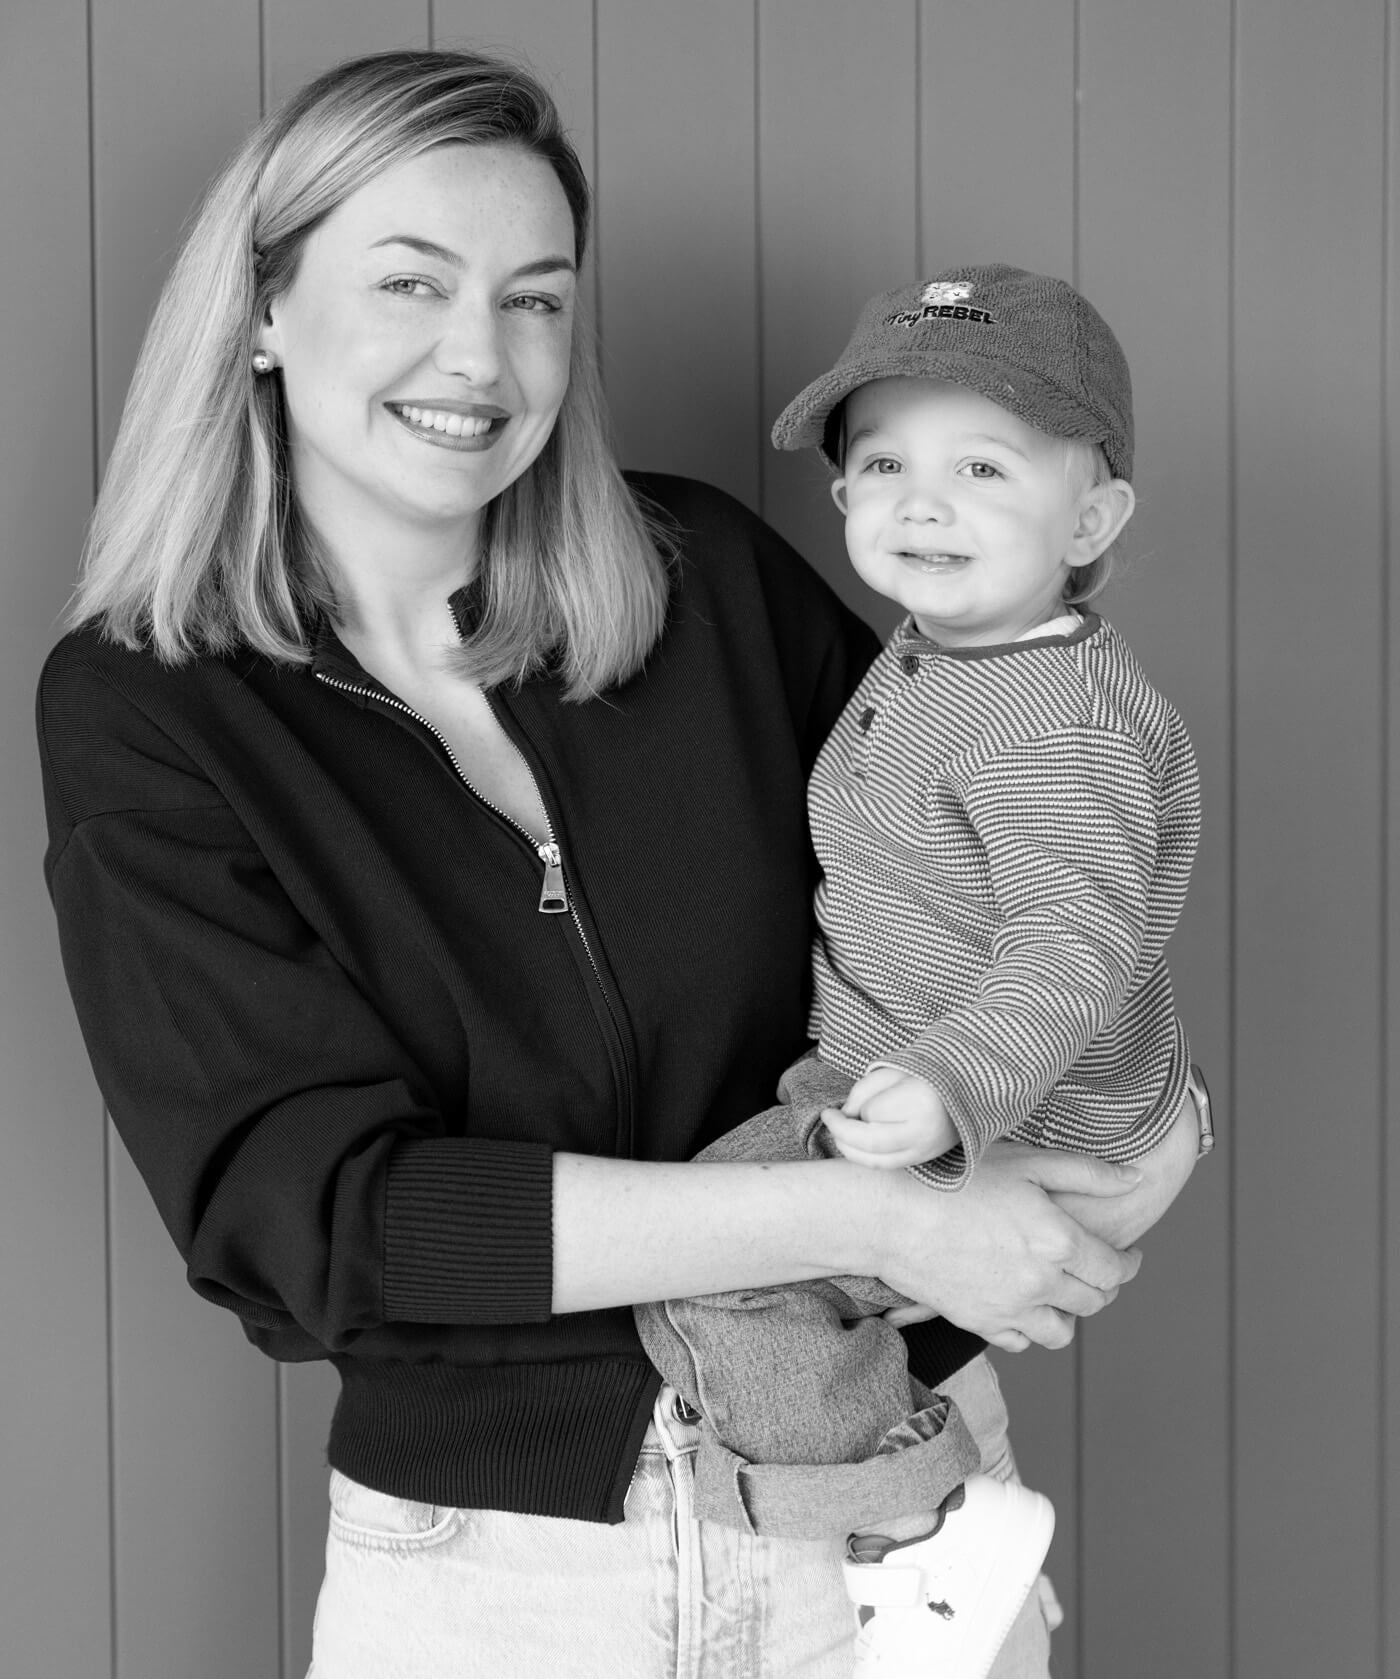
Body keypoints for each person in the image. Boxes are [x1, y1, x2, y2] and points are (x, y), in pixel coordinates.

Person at [36, 51, 1196, 1679]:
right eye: (409, 283)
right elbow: (322, 1234)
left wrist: (1151, 1120)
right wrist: (872, 1212)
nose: (480, 356)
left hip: (888, 1515)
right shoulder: (150, 708)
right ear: (263, 313)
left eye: (535, 299)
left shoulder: (705, 577)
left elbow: (1015, 867)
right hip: (498, 1572)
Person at [635, 265, 1205, 1679]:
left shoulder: (1051, 726)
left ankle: (918, 1523)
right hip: (938, 1075)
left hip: (1006, 1102)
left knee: (719, 1277)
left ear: (1093, 517)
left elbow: (1074, 943)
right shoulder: (959, 652)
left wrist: (954, 1086)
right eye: (881, 462)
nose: (919, 500)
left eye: (982, 465)